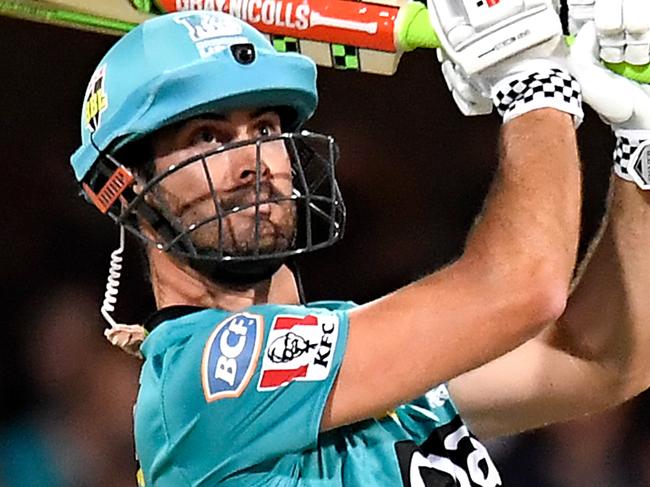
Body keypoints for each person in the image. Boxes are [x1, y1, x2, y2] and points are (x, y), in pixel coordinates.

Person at [67, 0, 650, 485]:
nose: (253, 161)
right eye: (207, 137)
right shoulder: (202, 381)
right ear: (127, 194)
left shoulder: (350, 358)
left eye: (266, 129)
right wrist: (531, 81)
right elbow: (523, 287)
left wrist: (639, 148)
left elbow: (601, 360)